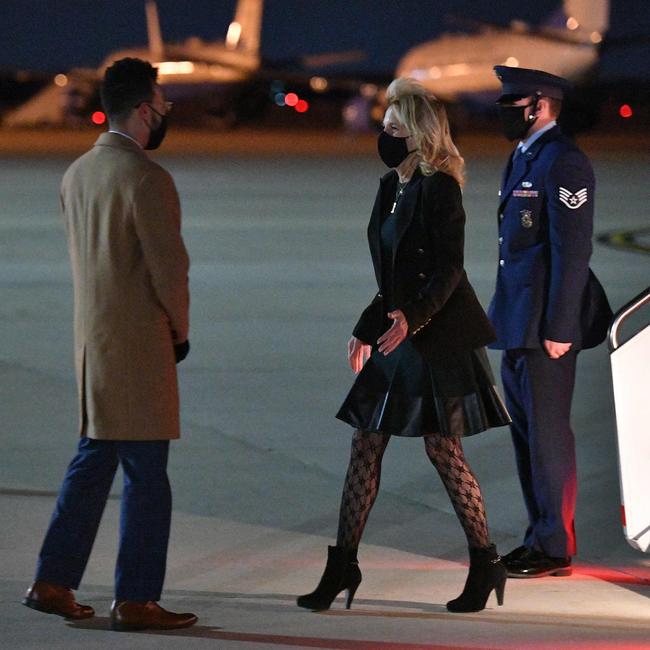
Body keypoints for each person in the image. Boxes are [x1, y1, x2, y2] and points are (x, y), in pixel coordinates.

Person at [297, 77, 511, 614]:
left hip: (435, 337)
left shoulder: (440, 187)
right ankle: (343, 565)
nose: (385, 135)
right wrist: (365, 326)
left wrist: (410, 320)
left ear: (418, 135)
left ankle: (485, 563)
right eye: (384, 126)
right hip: (397, 332)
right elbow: (390, 276)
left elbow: (447, 269)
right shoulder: (389, 187)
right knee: (365, 444)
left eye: (395, 128)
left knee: (443, 450)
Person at [22, 58, 197, 631]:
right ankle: (137, 598)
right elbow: (169, 271)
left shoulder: (77, 174)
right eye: (163, 103)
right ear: (145, 109)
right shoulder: (146, 178)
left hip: (92, 346)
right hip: (140, 347)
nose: (166, 112)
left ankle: (52, 580)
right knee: (147, 476)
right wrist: (180, 329)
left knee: (93, 463)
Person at [488, 66, 612, 579]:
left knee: (548, 436)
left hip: (546, 327)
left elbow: (572, 250)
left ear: (538, 104)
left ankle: (554, 544)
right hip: (518, 320)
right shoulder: (524, 157)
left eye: (511, 103)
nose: (504, 112)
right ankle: (538, 535)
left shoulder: (564, 162)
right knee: (527, 435)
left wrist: (561, 326)